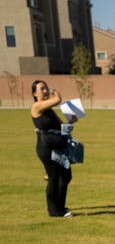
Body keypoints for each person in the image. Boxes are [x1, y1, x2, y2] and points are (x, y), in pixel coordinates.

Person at [30, 80, 75, 218]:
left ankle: (60, 207)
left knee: (66, 176)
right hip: (46, 147)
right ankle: (54, 210)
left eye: (46, 88)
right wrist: (56, 95)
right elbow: (58, 100)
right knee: (54, 177)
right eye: (42, 89)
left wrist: (71, 121)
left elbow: (61, 128)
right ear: (34, 93)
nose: (45, 90)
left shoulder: (49, 111)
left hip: (58, 146)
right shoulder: (36, 106)